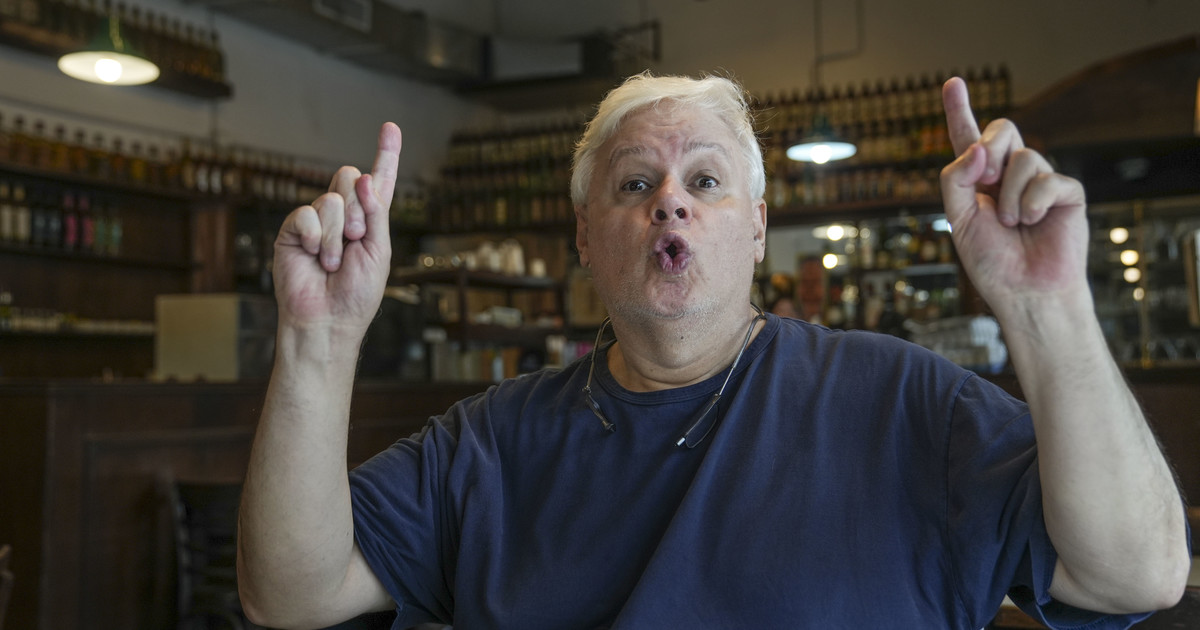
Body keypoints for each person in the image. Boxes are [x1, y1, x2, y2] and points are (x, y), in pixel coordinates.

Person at [236, 72, 1191, 629]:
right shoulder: (487, 445)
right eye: (634, 183)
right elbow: (289, 595)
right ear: (584, 238)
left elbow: (1137, 572)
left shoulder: (902, 402)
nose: (670, 202)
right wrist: (319, 341)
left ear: (757, 228)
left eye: (704, 180)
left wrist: (1050, 309)